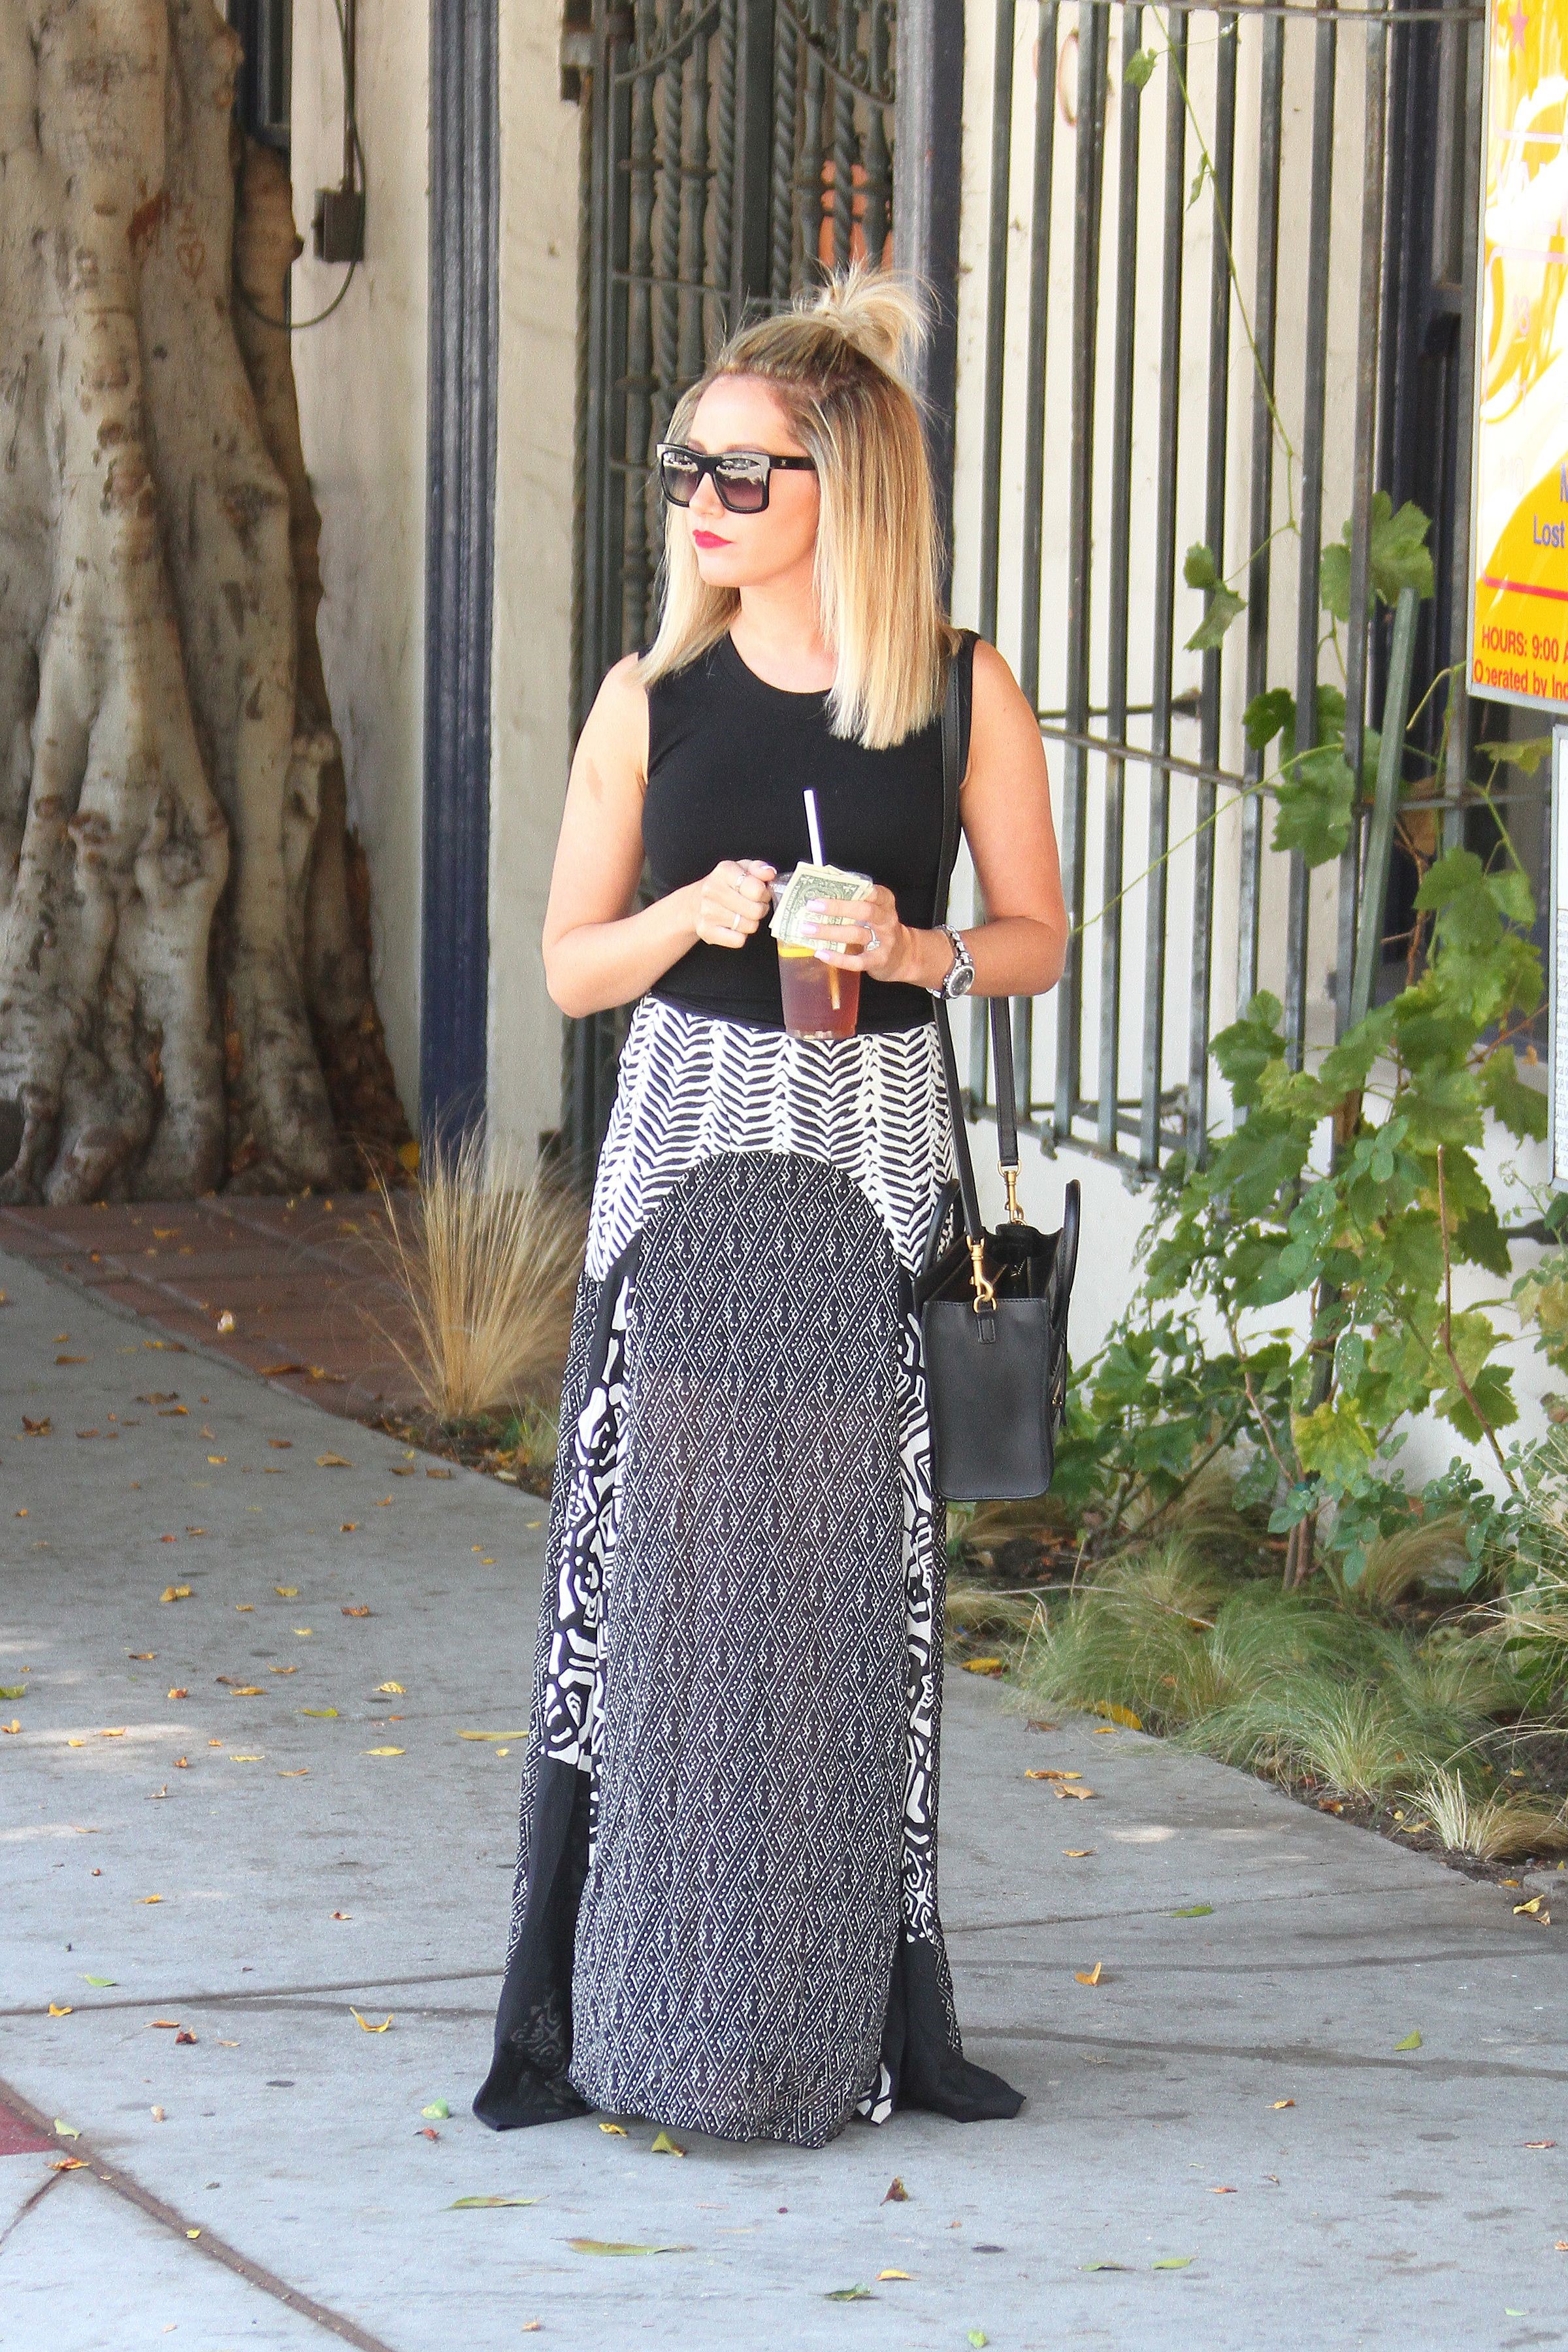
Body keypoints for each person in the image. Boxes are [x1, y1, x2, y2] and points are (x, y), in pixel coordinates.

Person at [474, 265, 1067, 2151]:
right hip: (688, 1174)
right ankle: (611, 2006)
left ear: (850, 483)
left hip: (872, 1170)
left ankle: (845, 2014)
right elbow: (573, 966)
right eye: (687, 470)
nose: (703, 505)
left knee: (853, 1598)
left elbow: (1040, 938)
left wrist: (925, 946)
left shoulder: (962, 689)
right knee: (658, 1588)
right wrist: (687, 915)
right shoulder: (651, 696)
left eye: (744, 473)